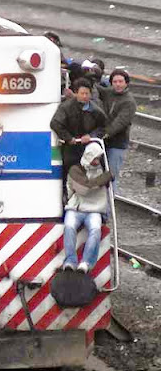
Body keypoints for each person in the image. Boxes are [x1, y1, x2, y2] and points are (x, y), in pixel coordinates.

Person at [62, 142, 113, 273]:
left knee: (96, 230)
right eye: (95, 158)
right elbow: (84, 189)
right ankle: (70, 261)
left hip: (95, 209)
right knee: (69, 226)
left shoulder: (102, 169)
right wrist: (104, 178)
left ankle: (86, 263)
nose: (97, 161)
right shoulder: (75, 170)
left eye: (98, 158)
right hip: (76, 208)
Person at [50, 78, 107, 179]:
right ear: (76, 93)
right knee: (69, 171)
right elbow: (55, 123)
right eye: (82, 93)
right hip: (71, 146)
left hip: (89, 146)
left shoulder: (96, 110)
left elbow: (103, 126)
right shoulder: (66, 107)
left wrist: (91, 135)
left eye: (87, 93)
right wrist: (68, 138)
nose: (85, 96)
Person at [99, 69, 137, 193]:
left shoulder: (129, 102)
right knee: (99, 176)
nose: (118, 84)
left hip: (117, 144)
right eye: (115, 81)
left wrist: (105, 133)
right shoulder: (109, 92)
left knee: (111, 177)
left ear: (126, 83)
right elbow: (97, 90)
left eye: (121, 81)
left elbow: (120, 122)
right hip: (103, 141)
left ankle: (110, 210)